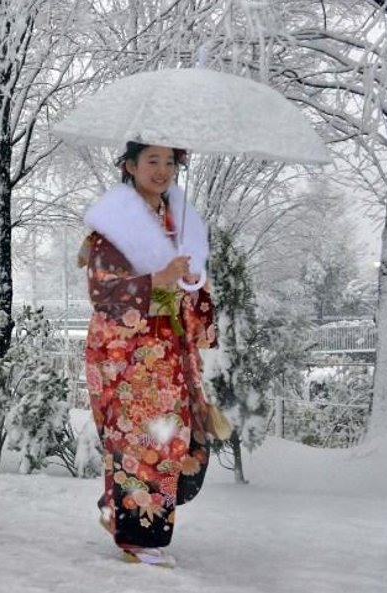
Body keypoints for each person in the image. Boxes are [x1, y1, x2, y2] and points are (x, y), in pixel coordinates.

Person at [80, 142, 217, 569]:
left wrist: (192, 287)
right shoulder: (113, 225)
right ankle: (138, 536)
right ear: (130, 165)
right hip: (131, 355)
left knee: (175, 441)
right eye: (151, 161)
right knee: (144, 441)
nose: (162, 170)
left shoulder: (180, 224)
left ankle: (119, 508)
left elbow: (192, 294)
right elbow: (103, 292)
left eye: (169, 161)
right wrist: (157, 279)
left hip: (169, 352)